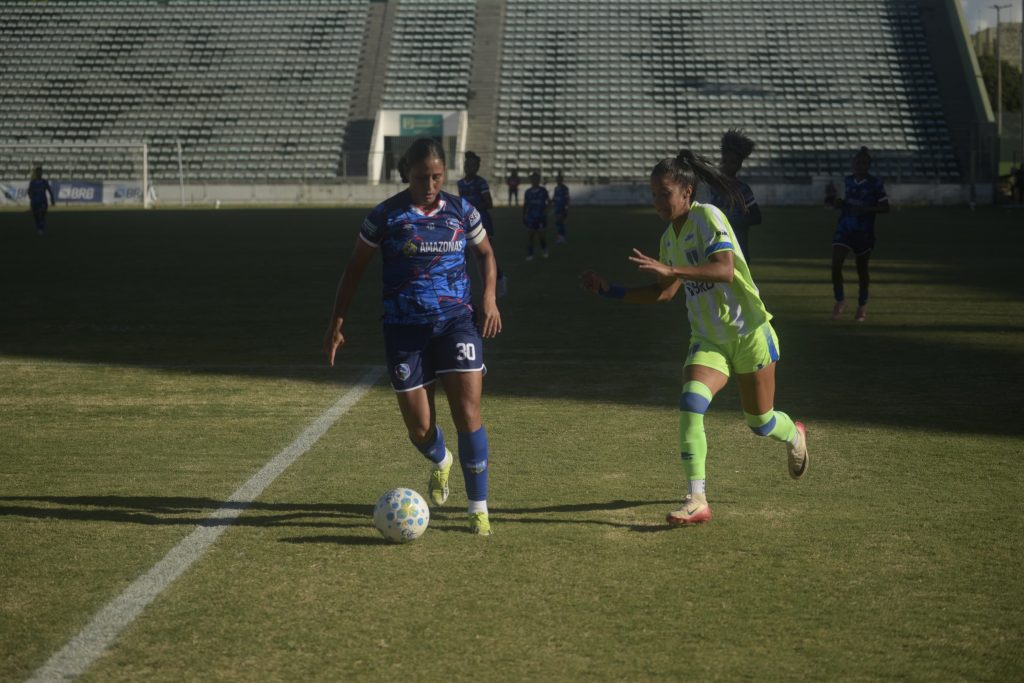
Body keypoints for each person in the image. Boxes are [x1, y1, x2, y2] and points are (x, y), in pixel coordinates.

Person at [581, 148, 808, 526]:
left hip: (750, 333)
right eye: (653, 195)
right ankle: (696, 498)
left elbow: (724, 270)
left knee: (761, 422)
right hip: (709, 340)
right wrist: (610, 290)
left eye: (664, 193)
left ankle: (795, 435)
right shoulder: (668, 238)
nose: (658, 202)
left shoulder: (708, 216)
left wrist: (672, 270)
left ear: (687, 192)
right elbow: (663, 293)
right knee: (690, 403)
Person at [323, 138, 502, 536]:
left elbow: (486, 253)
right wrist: (337, 322)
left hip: (457, 322)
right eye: (423, 177)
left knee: (468, 412)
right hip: (404, 329)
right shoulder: (385, 215)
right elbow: (354, 268)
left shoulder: (462, 210)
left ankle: (478, 508)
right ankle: (441, 461)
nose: (431, 185)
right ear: (407, 173)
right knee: (420, 429)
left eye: (437, 176)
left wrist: (489, 298)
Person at [826, 146, 889, 322]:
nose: (860, 166)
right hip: (844, 228)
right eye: (858, 162)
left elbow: (885, 207)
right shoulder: (846, 181)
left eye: (864, 163)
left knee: (862, 270)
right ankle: (840, 301)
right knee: (835, 265)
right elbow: (838, 202)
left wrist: (867, 209)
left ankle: (862, 305)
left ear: (869, 165)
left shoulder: (875, 184)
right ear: (853, 164)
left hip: (864, 232)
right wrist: (837, 204)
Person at [458, 151, 508, 296]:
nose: (470, 167)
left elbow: (489, 203)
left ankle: (500, 278)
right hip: (465, 224)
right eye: (468, 164)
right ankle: (462, 288)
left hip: (483, 223)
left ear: (477, 167)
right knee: (463, 256)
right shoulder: (460, 184)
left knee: (486, 255)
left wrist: (472, 209)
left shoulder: (481, 183)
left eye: (473, 165)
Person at [708, 129, 761, 262]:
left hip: (738, 250)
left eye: (732, 162)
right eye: (725, 160)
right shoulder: (711, 187)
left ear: (739, 165)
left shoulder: (743, 190)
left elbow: (756, 217)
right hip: (714, 249)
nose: (727, 165)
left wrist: (731, 220)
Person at [522, 171, 550, 260]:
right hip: (531, 217)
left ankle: (544, 250)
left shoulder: (543, 191)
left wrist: (546, 211)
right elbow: (525, 204)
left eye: (536, 179)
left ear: (538, 180)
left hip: (541, 217)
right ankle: (530, 254)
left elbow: (548, 201)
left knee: (541, 236)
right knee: (530, 236)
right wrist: (524, 215)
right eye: (533, 179)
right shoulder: (528, 192)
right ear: (531, 180)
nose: (535, 181)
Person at [27, 165, 55, 235]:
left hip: (43, 202)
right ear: (36, 173)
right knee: (36, 216)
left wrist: (52, 199)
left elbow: (49, 190)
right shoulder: (33, 182)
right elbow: (29, 191)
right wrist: (31, 197)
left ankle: (41, 228)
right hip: (34, 202)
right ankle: (39, 228)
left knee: (42, 215)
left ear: (42, 173)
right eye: (38, 172)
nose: (39, 174)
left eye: (40, 172)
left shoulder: (44, 181)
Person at [553, 171, 570, 244]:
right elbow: (554, 197)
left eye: (559, 179)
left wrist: (566, 208)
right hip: (557, 208)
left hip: (562, 208)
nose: (557, 181)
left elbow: (567, 199)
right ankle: (559, 237)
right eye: (557, 179)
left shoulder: (565, 188)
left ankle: (562, 238)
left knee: (560, 222)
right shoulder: (556, 188)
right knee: (557, 223)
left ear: (561, 180)